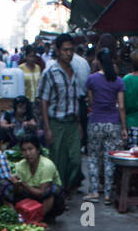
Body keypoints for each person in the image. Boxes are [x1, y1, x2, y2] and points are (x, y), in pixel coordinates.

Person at [38, 35, 82, 196]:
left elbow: (76, 100)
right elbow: (43, 101)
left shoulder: (75, 71)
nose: (69, 53)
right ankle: (59, 193)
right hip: (56, 122)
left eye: (71, 50)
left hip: (72, 123)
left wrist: (79, 125)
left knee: (76, 159)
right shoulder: (50, 72)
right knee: (58, 160)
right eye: (65, 50)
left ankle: (66, 187)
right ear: (57, 51)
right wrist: (47, 128)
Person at [85, 48, 127, 203]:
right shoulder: (118, 81)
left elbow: (90, 102)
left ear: (98, 62)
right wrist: (124, 128)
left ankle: (95, 191)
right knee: (110, 159)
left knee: (93, 157)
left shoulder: (92, 79)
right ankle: (108, 194)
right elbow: (121, 107)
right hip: (113, 123)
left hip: (95, 121)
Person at [10, 135, 66, 221]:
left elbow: (42, 192)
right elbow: (18, 192)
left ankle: (39, 217)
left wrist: (25, 185)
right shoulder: (21, 165)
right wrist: (16, 185)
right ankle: (18, 217)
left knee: (52, 190)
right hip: (30, 196)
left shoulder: (47, 165)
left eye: (30, 149)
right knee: (6, 187)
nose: (28, 153)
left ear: (38, 149)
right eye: (24, 150)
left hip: (47, 199)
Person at [71, 42, 91, 151]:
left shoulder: (66, 62)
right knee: (83, 123)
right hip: (81, 99)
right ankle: (83, 145)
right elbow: (87, 84)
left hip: (73, 100)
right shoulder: (84, 62)